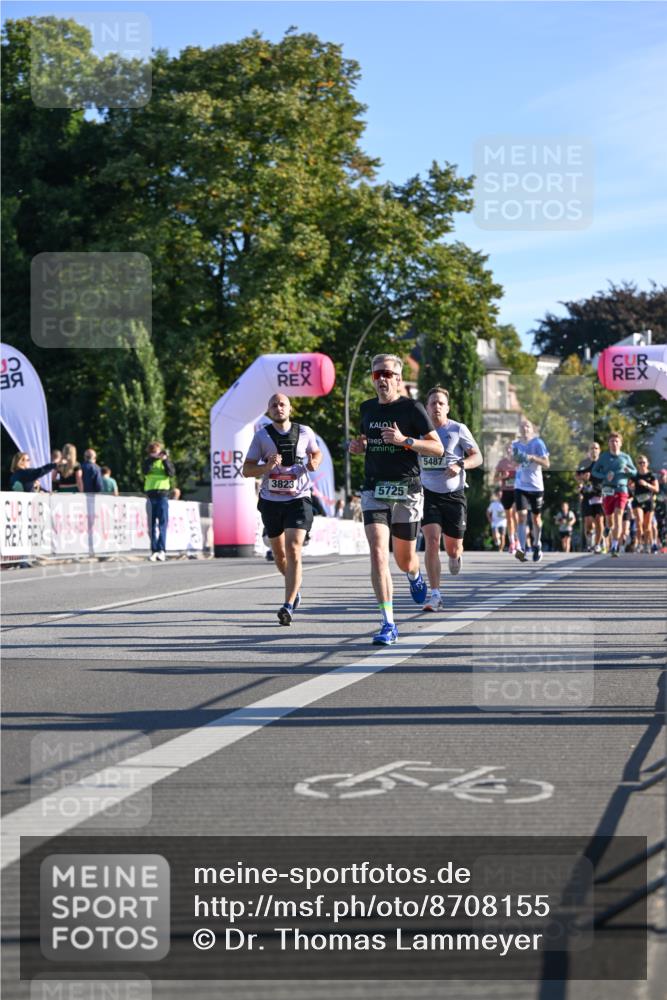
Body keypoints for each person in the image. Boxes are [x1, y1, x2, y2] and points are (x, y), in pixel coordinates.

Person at [348, 354, 443, 644]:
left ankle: (414, 575)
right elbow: (366, 441)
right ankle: (388, 623)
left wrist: (405, 441)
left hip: (406, 490)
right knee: (378, 552)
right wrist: (359, 446)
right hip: (374, 489)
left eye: (388, 374)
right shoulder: (366, 408)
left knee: (404, 559)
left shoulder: (412, 408)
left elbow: (437, 448)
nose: (382, 379)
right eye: (377, 374)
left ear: (399, 379)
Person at [243, 393, 322, 625]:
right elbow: (246, 470)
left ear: (290, 408)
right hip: (271, 501)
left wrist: (314, 462)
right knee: (279, 555)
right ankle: (294, 588)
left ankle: (288, 605)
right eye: (274, 405)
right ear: (269, 411)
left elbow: (316, 453)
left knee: (293, 548)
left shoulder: (305, 432)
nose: (278, 408)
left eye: (282, 404)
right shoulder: (261, 436)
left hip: (299, 499)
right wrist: (266, 466)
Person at [419, 385, 482, 610]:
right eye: (432, 403)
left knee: (453, 548)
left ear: (447, 408)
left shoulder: (457, 429)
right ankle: (435, 595)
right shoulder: (419, 431)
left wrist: (460, 464)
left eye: (441, 403)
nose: (436, 406)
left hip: (454, 495)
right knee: (432, 541)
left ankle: (455, 556)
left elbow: (478, 457)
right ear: (426, 408)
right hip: (427, 494)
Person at [591, 432, 637, 557]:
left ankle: (614, 546)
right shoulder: (604, 457)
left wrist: (629, 471)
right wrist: (605, 476)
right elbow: (594, 472)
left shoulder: (626, 457)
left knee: (618, 517)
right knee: (610, 520)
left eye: (617, 441)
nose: (614, 443)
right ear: (608, 444)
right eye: (612, 441)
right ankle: (607, 526)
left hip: (622, 489)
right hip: (607, 490)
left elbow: (634, 472)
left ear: (620, 443)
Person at [512, 418, 550, 563]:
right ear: (519, 429)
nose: (525, 428)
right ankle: (521, 549)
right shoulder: (516, 445)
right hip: (520, 485)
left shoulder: (538, 443)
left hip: (536, 486)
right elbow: (513, 462)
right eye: (522, 426)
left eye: (527, 426)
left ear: (532, 429)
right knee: (521, 516)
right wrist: (515, 459)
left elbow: (546, 463)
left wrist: (533, 457)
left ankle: (537, 544)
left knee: (536, 519)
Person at [143, 441, 175, 562]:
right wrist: (153, 459)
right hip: (151, 496)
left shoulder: (165, 461)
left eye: (156, 452)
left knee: (162, 524)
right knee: (151, 525)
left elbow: (171, 473)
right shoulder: (147, 462)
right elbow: (145, 470)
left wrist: (165, 460)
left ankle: (162, 550)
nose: (155, 454)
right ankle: (154, 550)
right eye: (152, 452)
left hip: (162, 496)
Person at [576, 442, 605, 552]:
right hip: (587, 494)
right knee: (588, 522)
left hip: (599, 494)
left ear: (599, 450)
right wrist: (582, 479)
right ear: (589, 450)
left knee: (599, 520)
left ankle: (597, 544)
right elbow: (577, 476)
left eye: (596, 448)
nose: (594, 450)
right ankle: (590, 542)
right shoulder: (584, 463)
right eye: (592, 448)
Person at [628, 456, 659, 553]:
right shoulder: (635, 475)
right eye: (640, 463)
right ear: (637, 465)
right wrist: (631, 486)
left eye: (644, 462)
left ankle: (647, 544)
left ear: (647, 463)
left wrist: (646, 484)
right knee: (639, 522)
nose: (642, 464)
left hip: (648, 501)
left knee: (648, 526)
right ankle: (639, 544)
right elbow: (628, 485)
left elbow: (656, 489)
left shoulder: (651, 475)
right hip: (638, 501)